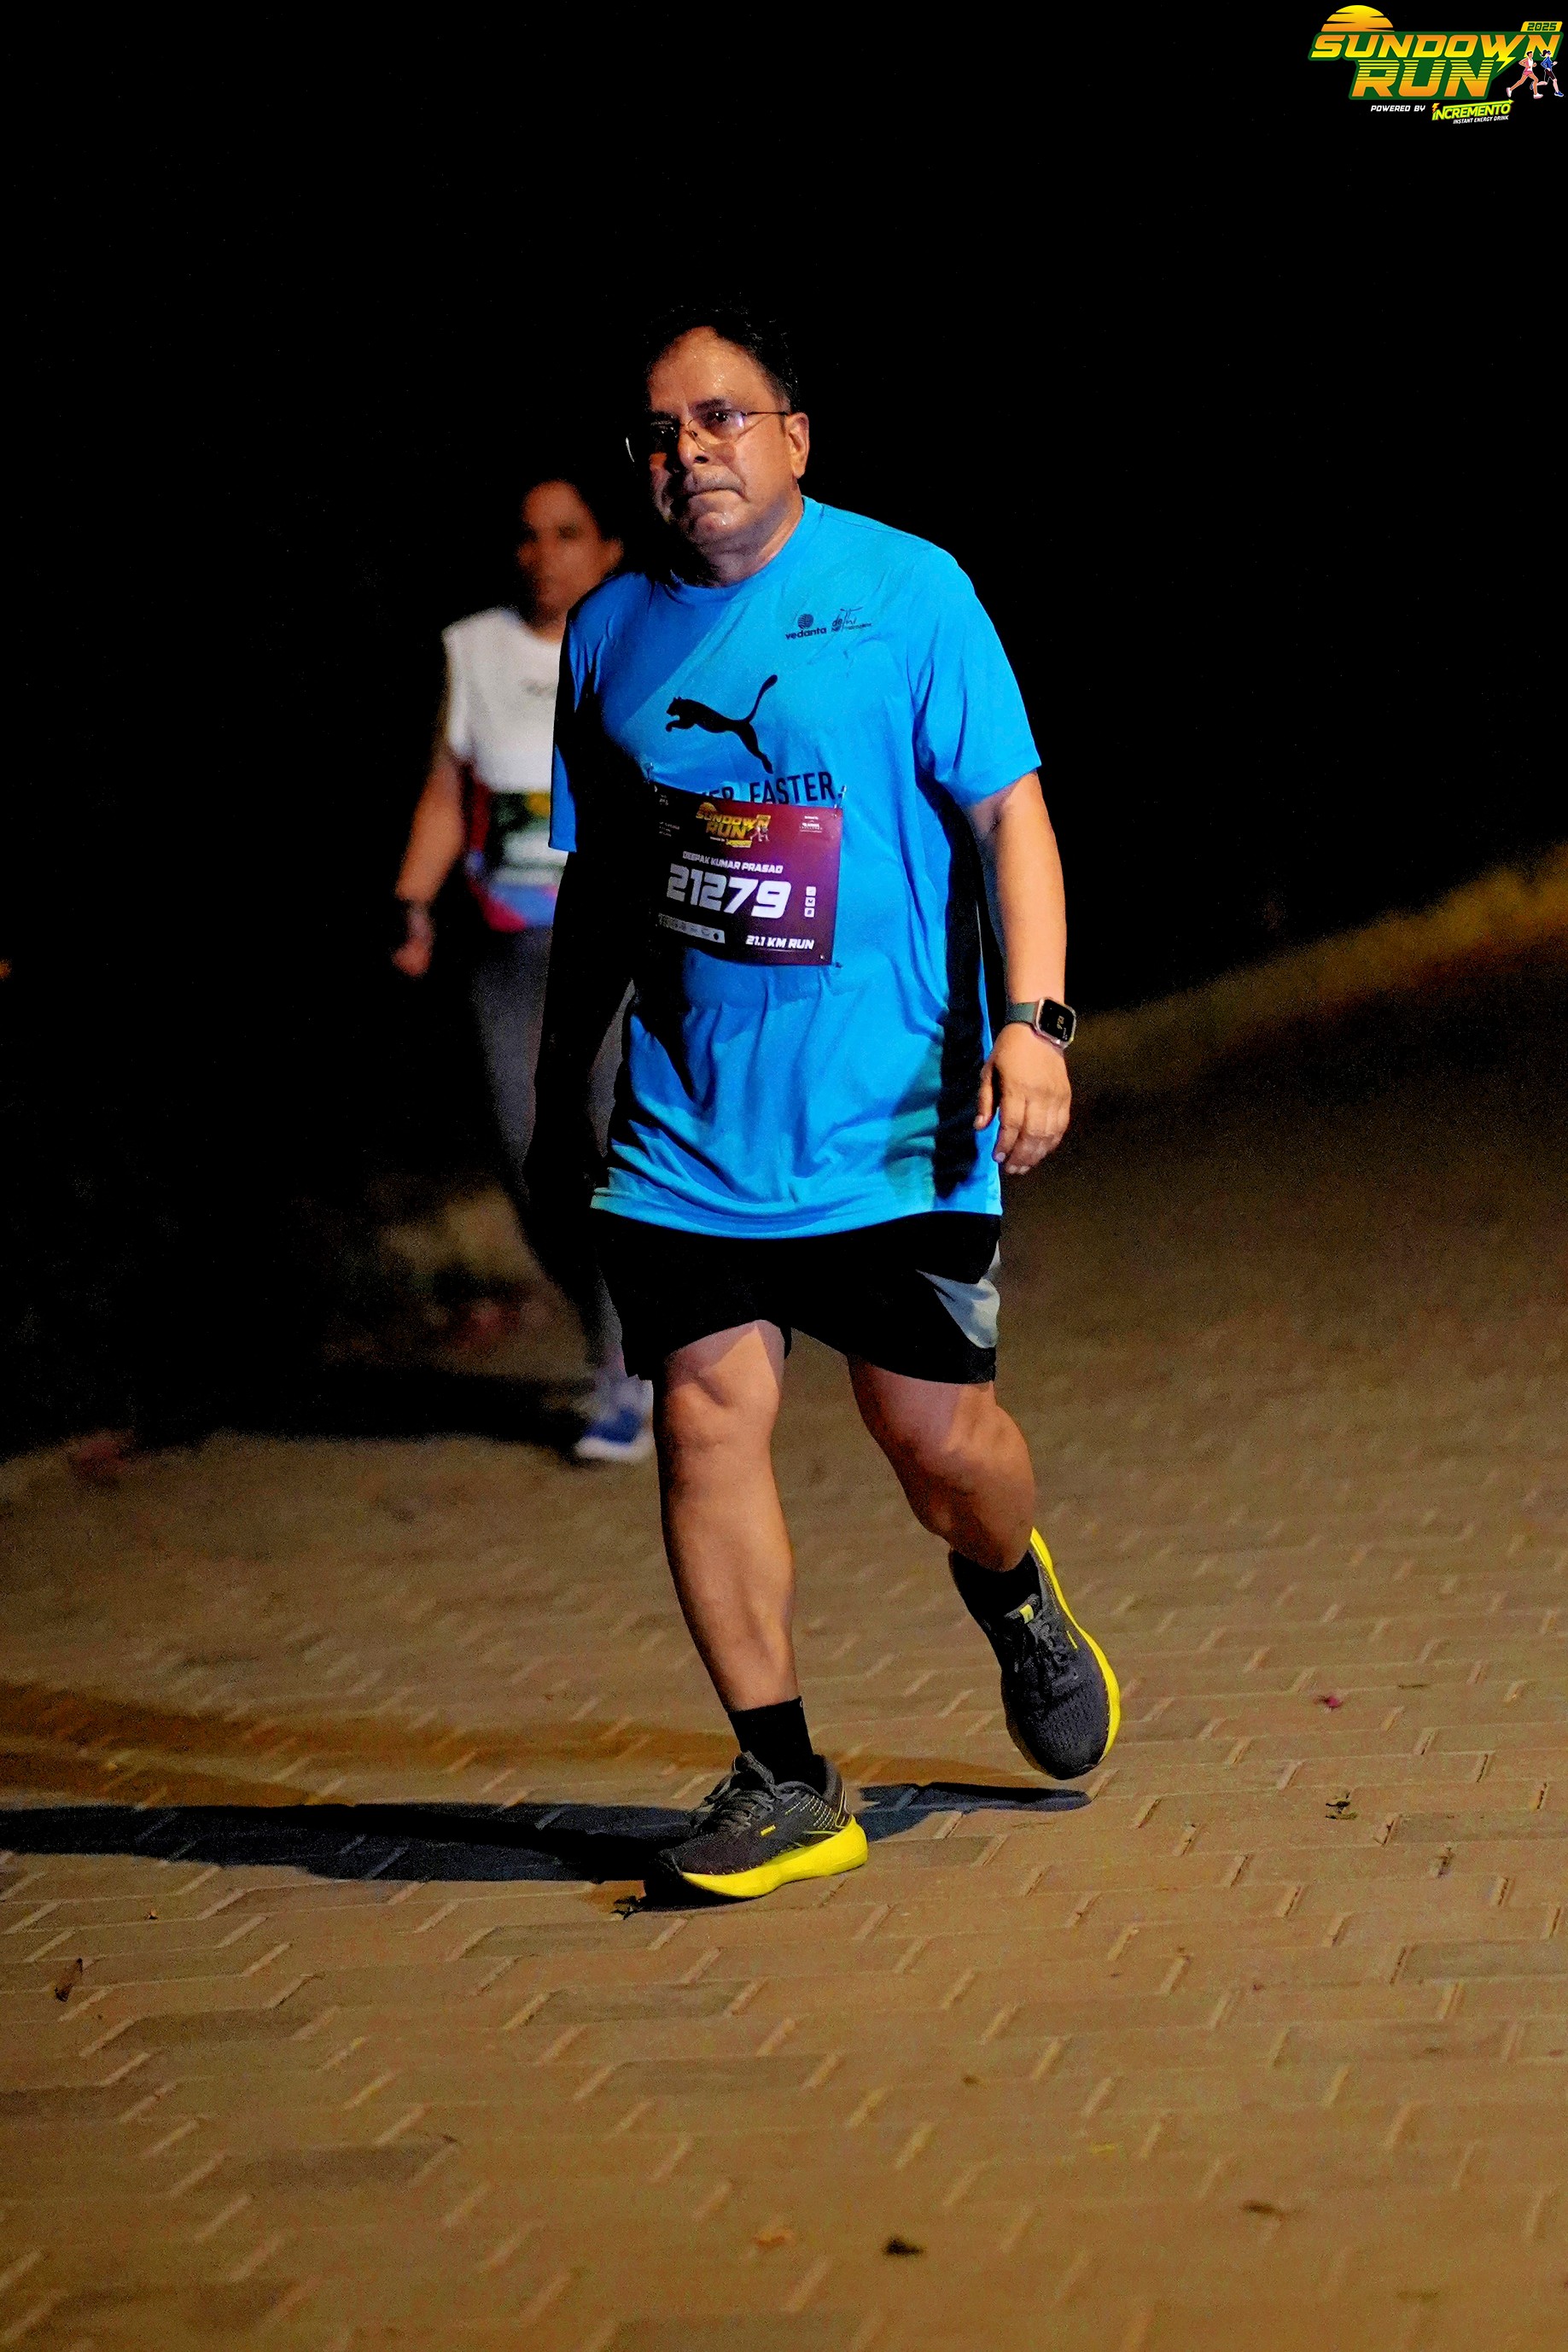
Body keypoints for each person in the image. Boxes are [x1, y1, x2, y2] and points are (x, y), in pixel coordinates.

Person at [531, 305, 1119, 1900]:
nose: (689, 452)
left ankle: (1012, 1588)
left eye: (722, 417)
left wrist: (1033, 1025)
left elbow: (1010, 817)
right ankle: (784, 1777)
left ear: (794, 435)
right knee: (703, 1416)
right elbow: (605, 879)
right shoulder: (608, 632)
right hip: (686, 1126)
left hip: (892, 1116)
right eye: (660, 433)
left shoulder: (909, 589)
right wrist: (560, 1086)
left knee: (937, 1444)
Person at [392, 476, 654, 1463]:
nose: (543, 554)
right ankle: (617, 1333)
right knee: (533, 1168)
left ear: (610, 548)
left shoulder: (649, 642)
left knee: (616, 1152)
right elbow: (443, 791)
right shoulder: (474, 649)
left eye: (567, 533)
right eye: (527, 536)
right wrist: (413, 903)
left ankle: (627, 1370)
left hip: (618, 952)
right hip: (509, 956)